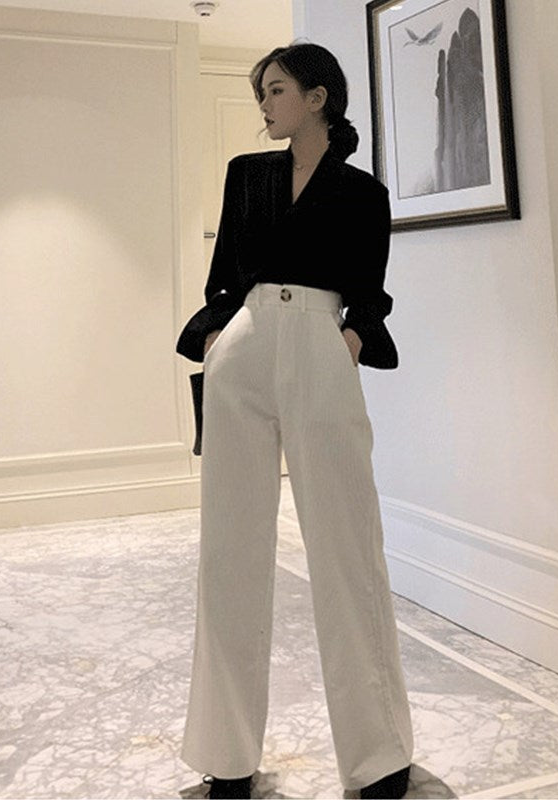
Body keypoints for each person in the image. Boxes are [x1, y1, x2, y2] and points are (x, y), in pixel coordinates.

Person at [175, 42, 414, 800]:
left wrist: (346, 343)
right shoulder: (247, 174)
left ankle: (379, 756)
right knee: (229, 551)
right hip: (244, 347)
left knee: (347, 548)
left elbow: (369, 295)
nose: (265, 104)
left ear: (318, 98)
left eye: (276, 90)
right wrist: (219, 338)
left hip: (319, 343)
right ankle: (227, 757)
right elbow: (223, 277)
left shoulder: (362, 193)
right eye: (262, 92)